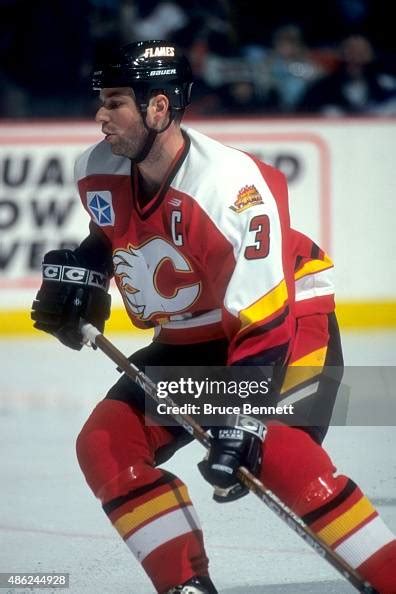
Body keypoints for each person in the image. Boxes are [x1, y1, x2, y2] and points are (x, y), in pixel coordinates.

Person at [31, 40, 396, 594]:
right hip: (191, 336)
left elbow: (266, 320)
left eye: (116, 102)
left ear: (159, 107)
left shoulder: (230, 187)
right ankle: (185, 586)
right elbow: (113, 234)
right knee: (107, 443)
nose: (101, 116)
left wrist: (245, 415)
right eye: (100, 101)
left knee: (277, 452)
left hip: (286, 328)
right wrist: (85, 273)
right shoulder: (96, 170)